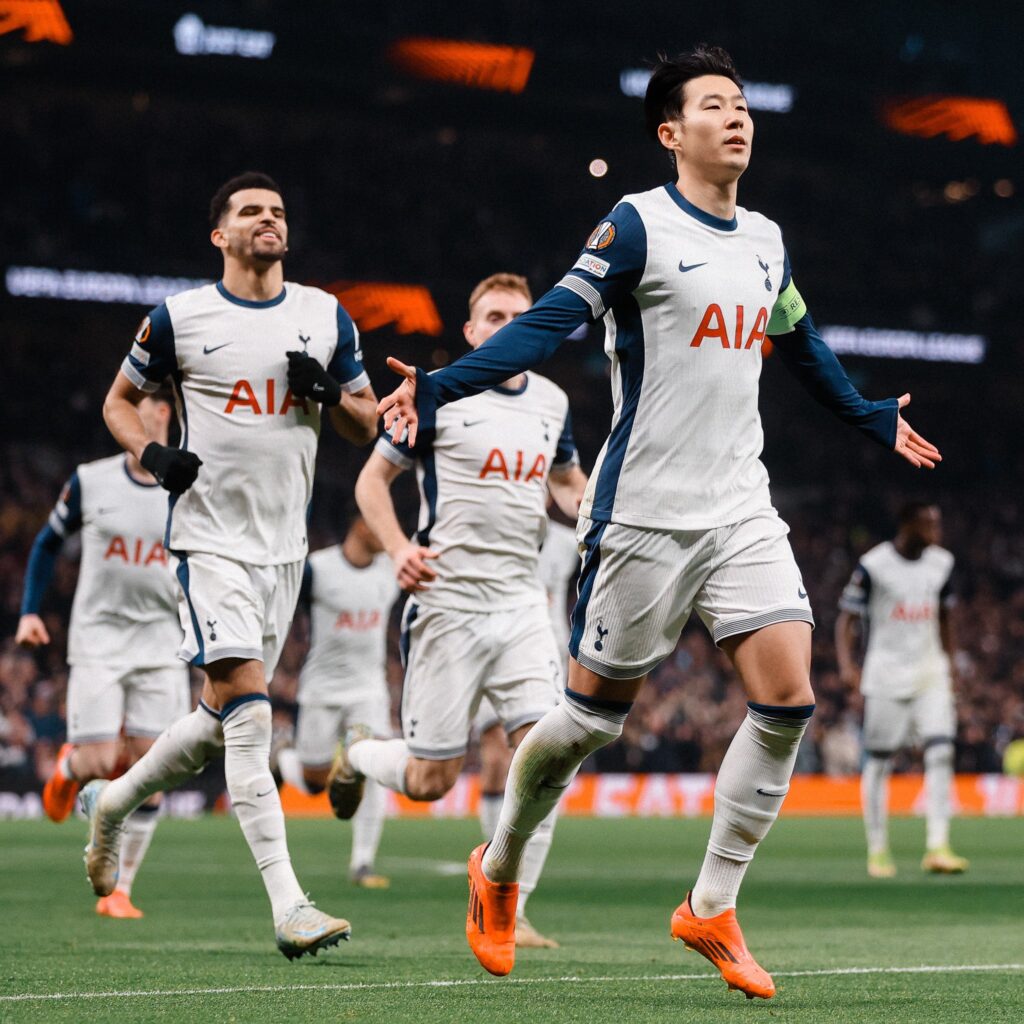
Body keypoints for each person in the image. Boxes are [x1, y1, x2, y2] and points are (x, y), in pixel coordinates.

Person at [375, 46, 941, 997]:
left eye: (744, 105)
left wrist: (869, 415)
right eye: (715, 106)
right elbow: (551, 319)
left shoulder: (766, 240)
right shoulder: (635, 224)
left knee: (789, 698)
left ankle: (711, 904)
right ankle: (500, 863)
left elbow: (801, 342)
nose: (738, 118)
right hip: (639, 512)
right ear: (671, 132)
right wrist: (441, 384)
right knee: (588, 721)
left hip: (738, 507)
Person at [80, 171, 378, 959]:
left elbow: (367, 421)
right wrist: (151, 451)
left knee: (218, 723)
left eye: (278, 211)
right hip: (210, 542)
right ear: (221, 234)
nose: (269, 220)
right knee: (251, 714)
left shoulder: (324, 314)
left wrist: (332, 397)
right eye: (251, 212)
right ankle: (290, 905)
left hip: (283, 549)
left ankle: (112, 805)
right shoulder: (179, 317)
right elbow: (117, 399)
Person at [339, 272, 588, 948]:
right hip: (446, 603)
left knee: (551, 753)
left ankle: (510, 904)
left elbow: (565, 482)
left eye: (521, 315)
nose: (509, 324)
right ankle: (359, 754)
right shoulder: (441, 394)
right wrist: (396, 548)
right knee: (428, 781)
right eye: (494, 315)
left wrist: (593, 512)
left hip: (520, 603)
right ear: (472, 333)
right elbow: (372, 481)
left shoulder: (553, 403)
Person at [15, 391, 188, 919]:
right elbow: (47, 543)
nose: (142, 417)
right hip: (100, 640)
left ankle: (120, 890)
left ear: (167, 415)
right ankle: (69, 768)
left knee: (152, 769)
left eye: (154, 407)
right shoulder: (91, 481)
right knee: (97, 762)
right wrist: (29, 611)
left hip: (161, 643)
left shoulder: (187, 488)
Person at [835, 502, 967, 877]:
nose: (936, 530)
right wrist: (847, 665)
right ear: (908, 524)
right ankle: (878, 849)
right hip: (886, 675)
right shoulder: (874, 565)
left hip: (931, 673)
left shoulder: (942, 563)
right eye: (929, 523)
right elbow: (847, 616)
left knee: (941, 751)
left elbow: (945, 615)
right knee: (879, 761)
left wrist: (951, 663)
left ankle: (938, 846)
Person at [473, 508, 580, 949]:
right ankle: (493, 865)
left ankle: (511, 905)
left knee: (541, 764)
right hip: (492, 648)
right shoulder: (493, 520)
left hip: (545, 656)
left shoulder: (565, 541)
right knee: (495, 760)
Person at [276, 514, 400, 889]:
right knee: (316, 783)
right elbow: (283, 613)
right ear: (361, 522)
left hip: (368, 689)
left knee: (372, 768)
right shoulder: (316, 569)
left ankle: (362, 862)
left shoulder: (392, 569)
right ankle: (282, 757)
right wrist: (285, 666)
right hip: (321, 688)